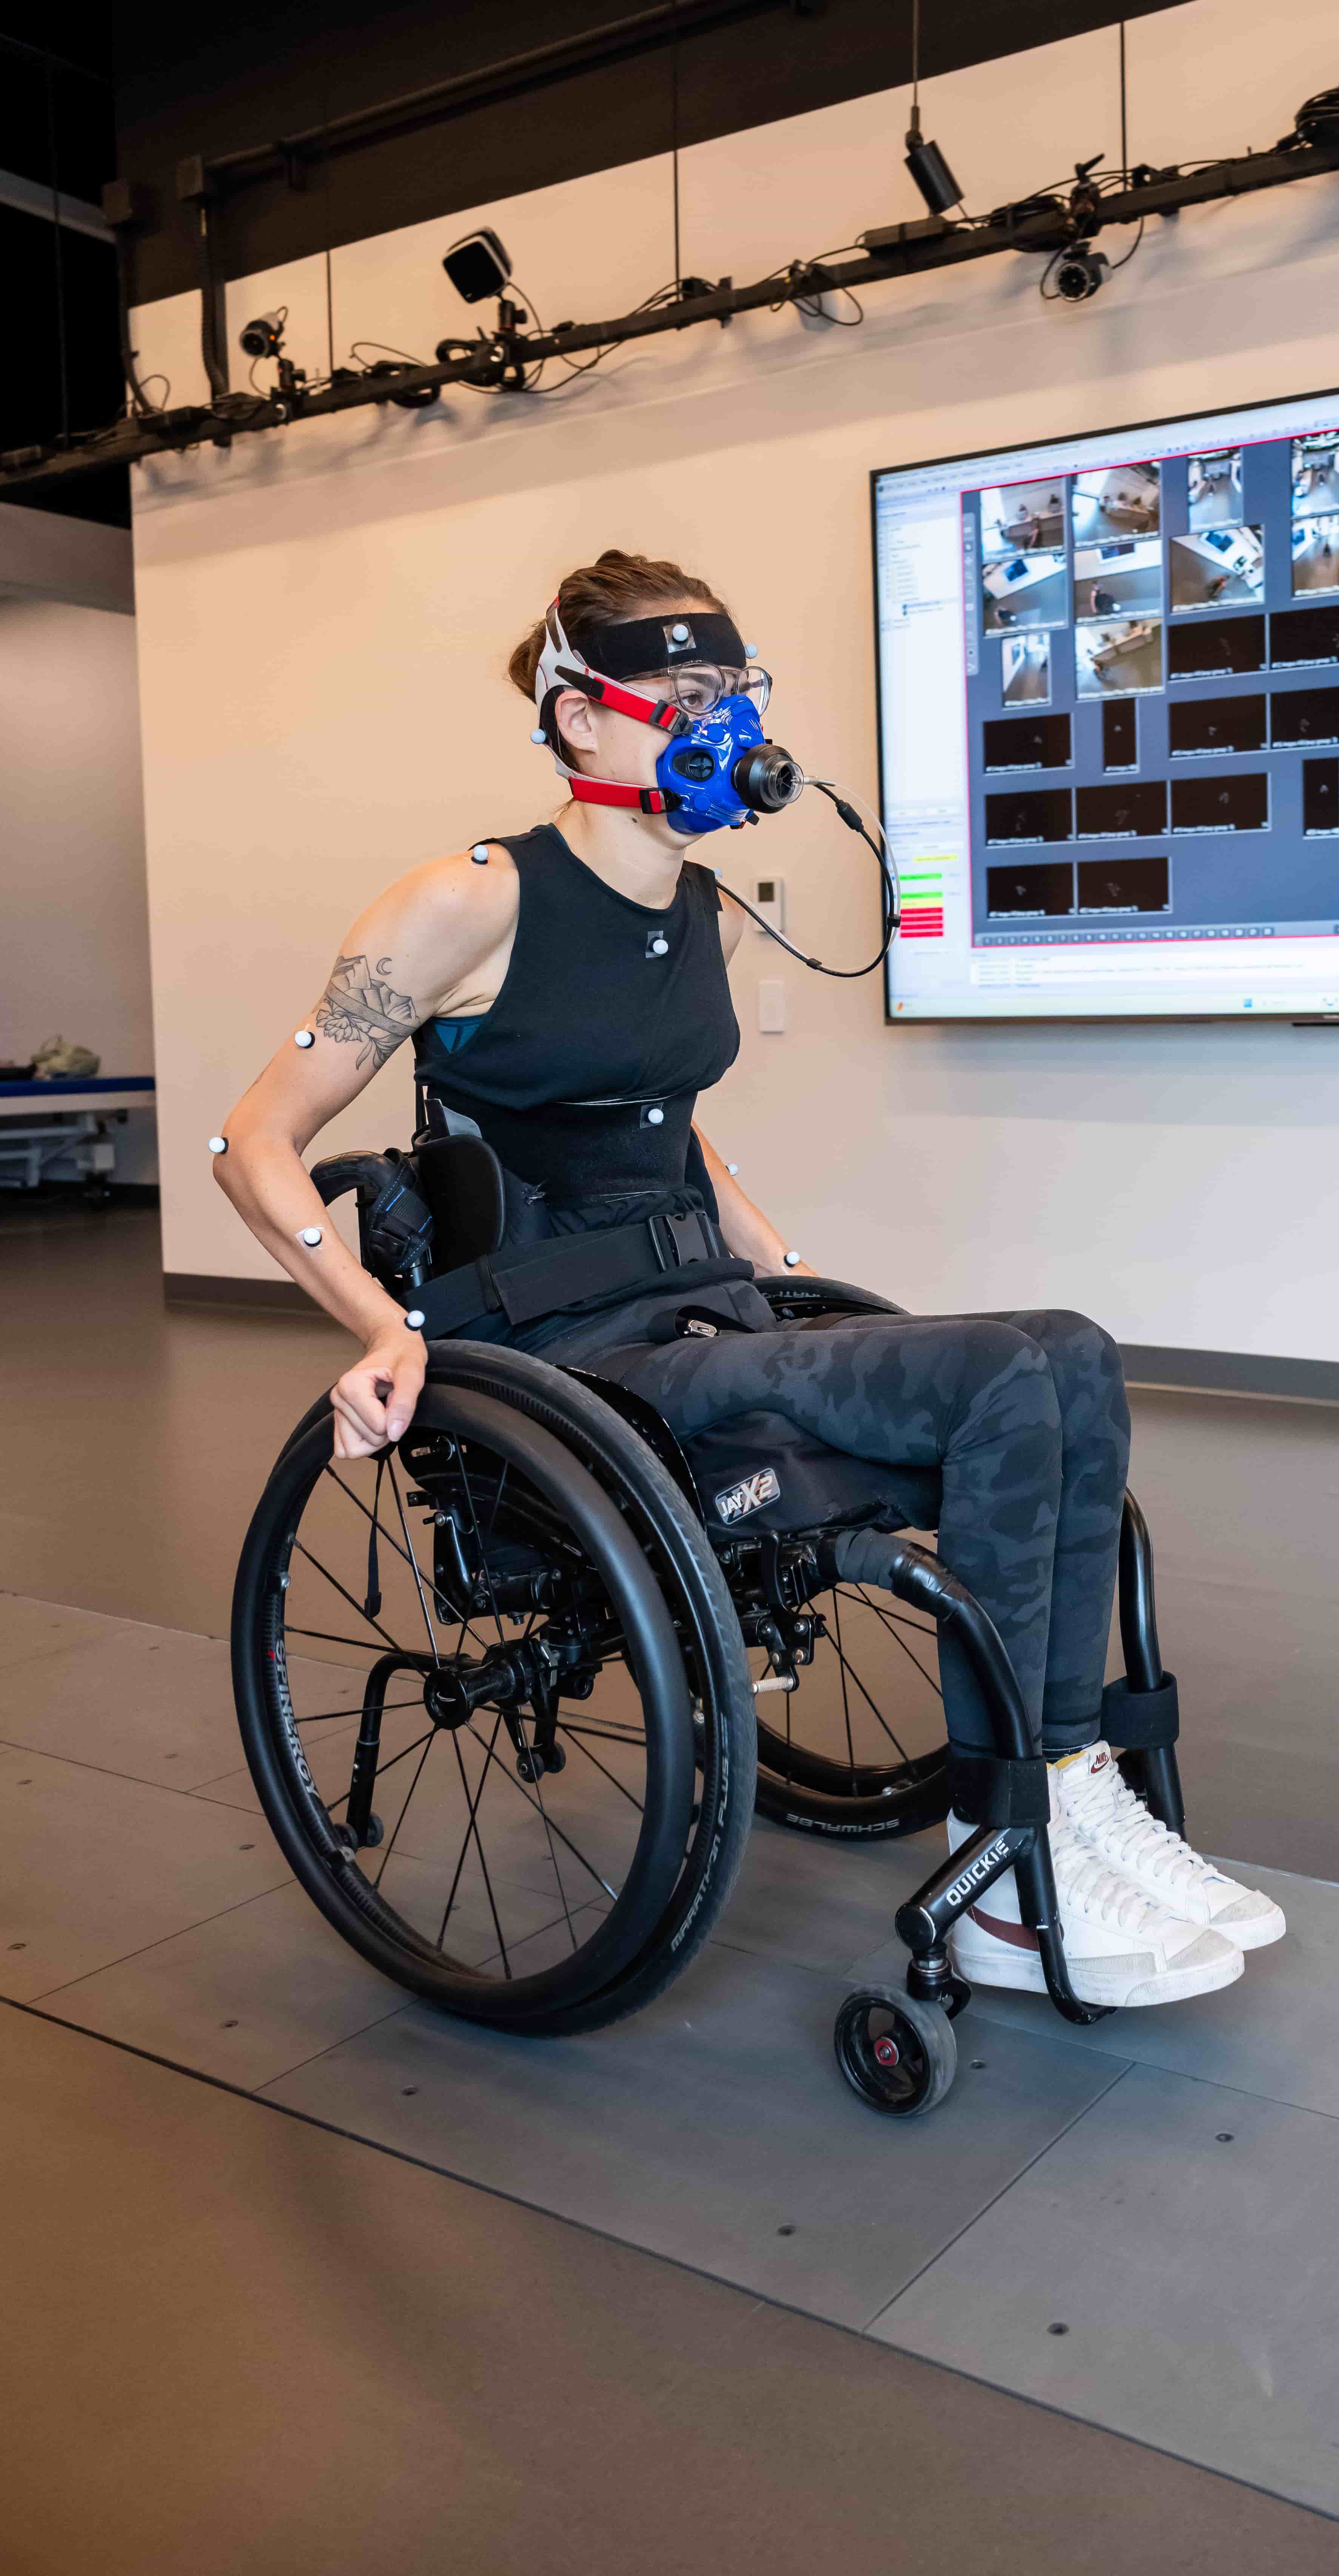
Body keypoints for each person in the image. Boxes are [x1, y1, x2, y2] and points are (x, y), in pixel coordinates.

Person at [216, 548, 1282, 2009]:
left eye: (732, 689)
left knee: (1074, 1352)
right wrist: (379, 1328)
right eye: (681, 692)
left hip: (705, 1317)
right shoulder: (470, 899)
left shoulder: (710, 912)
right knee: (1003, 1370)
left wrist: (783, 1266)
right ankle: (1002, 1867)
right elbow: (253, 1140)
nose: (717, 721)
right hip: (575, 1361)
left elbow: (668, 1125)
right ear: (578, 717)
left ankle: (1066, 1784)